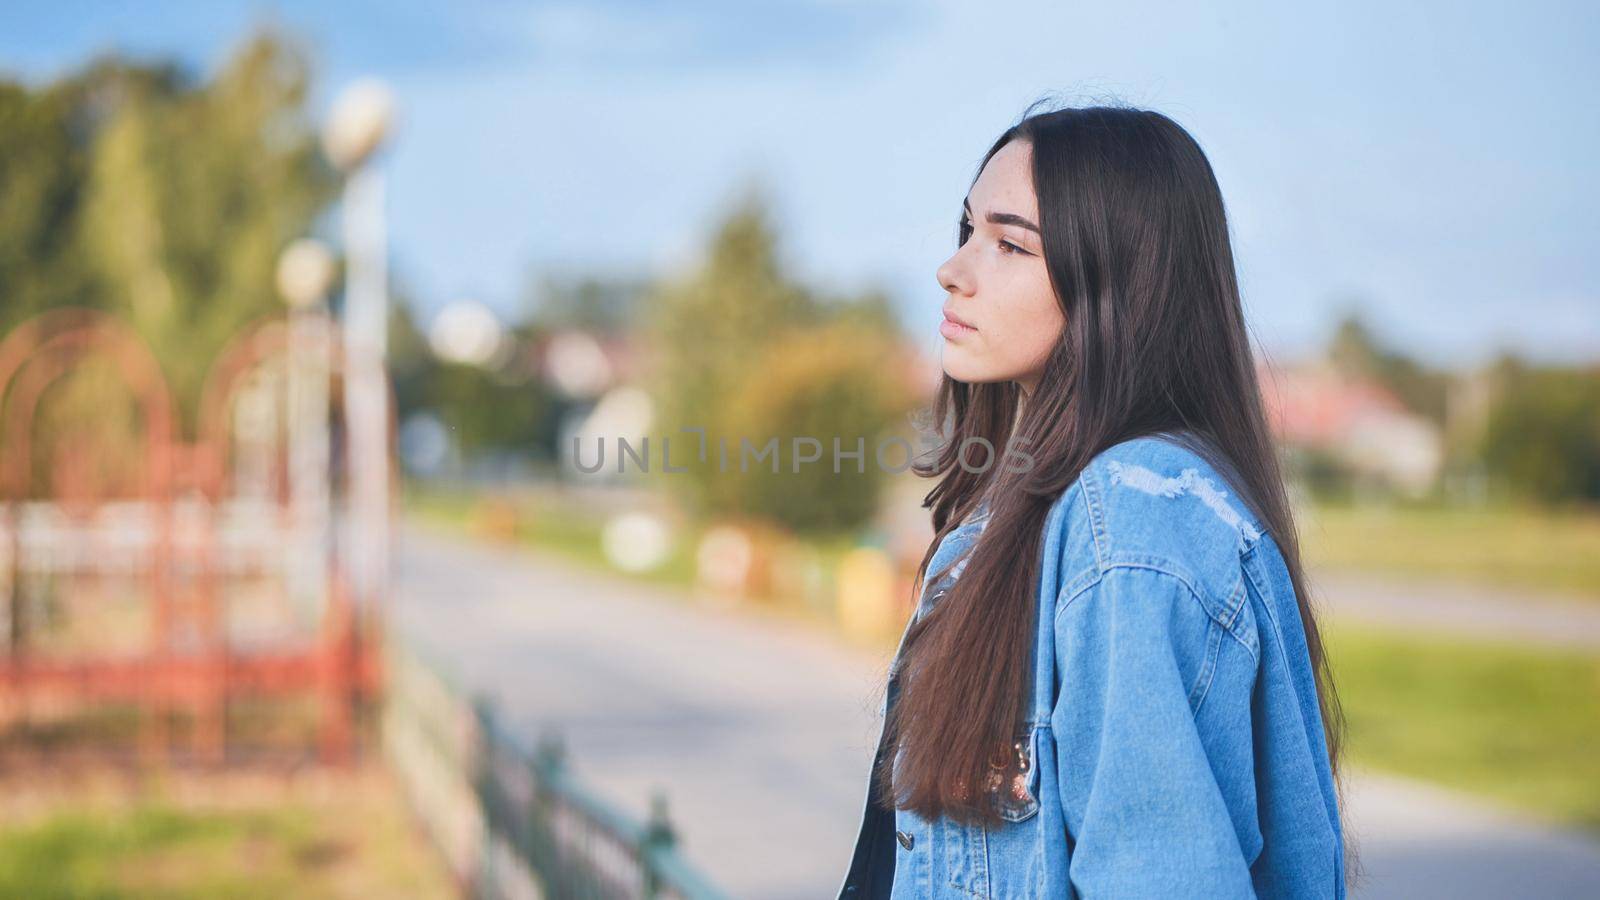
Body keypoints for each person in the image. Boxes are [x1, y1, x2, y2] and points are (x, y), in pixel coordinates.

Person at [837, 102, 1353, 899]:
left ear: (1121, 280)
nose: (954, 269)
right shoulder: (1033, 513)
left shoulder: (1134, 522)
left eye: (1009, 244)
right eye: (967, 229)